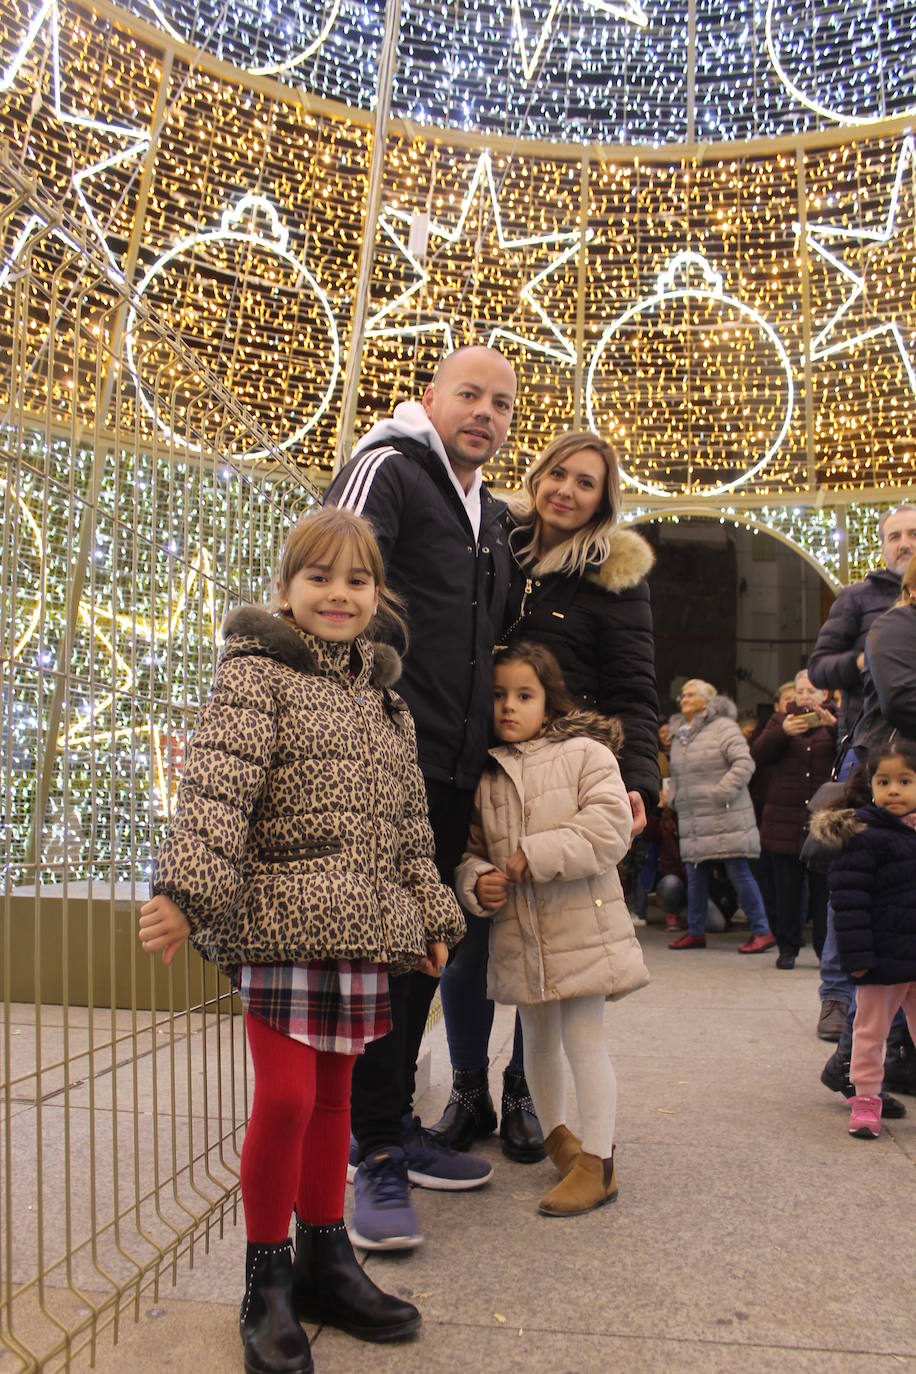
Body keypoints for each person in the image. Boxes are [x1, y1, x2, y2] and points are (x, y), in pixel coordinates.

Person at [137, 508, 466, 1374]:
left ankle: (327, 1259)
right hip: (280, 918)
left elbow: (410, 830)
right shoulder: (257, 677)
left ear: (376, 595)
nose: (338, 594)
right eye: (318, 578)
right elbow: (217, 788)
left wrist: (433, 916)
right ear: (285, 592)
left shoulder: (384, 701)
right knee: (284, 1098)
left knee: (335, 1101)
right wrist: (184, 892)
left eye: (356, 580)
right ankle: (266, 1279)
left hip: (361, 926)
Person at [323, 345, 515, 1247]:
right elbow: (331, 582)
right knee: (371, 957)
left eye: (502, 403)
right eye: (469, 395)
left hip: (447, 768)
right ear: (428, 397)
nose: (485, 412)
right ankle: (369, 1158)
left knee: (415, 957)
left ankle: (392, 1126)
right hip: (378, 761)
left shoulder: (489, 515)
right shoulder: (388, 469)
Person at [433, 429, 659, 1158]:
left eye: (585, 483)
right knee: (470, 934)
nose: (566, 490)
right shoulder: (493, 540)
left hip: (561, 779)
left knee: (550, 950)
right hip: (481, 764)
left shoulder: (614, 575)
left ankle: (530, 1097)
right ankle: (469, 1089)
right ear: (537, 474)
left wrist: (637, 780)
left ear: (603, 500)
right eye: (558, 473)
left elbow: (633, 688)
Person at [455, 643, 649, 1215]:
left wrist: (531, 853)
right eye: (497, 695)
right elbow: (469, 852)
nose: (509, 707)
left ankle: (600, 1162)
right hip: (522, 933)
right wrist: (479, 880)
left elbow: (609, 828)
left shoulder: (586, 753)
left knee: (583, 1038)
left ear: (549, 700)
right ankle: (562, 1140)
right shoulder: (486, 773)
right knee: (536, 1037)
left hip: (581, 928)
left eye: (523, 695)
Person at [808, 506, 916, 1040]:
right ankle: (836, 996)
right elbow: (818, 667)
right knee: (854, 883)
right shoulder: (861, 599)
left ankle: (896, 1018)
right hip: (871, 754)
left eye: (914, 533)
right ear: (882, 546)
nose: (905, 543)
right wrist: (868, 658)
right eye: (895, 535)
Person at [813, 742, 916, 1138]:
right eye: (884, 781)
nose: (893, 790)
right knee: (870, 1034)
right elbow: (849, 905)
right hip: (880, 962)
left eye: (904, 781)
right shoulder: (864, 835)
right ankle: (867, 1099)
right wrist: (856, 958)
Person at [666, 679, 775, 953]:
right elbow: (678, 773)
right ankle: (695, 931)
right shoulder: (680, 733)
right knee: (694, 872)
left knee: (738, 870)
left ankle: (762, 931)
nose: (685, 698)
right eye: (683, 694)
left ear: (708, 700)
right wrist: (674, 798)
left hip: (724, 812)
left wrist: (720, 792)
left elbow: (744, 763)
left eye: (692, 694)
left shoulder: (724, 727)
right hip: (693, 816)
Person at [750, 670, 837, 968]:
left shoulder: (838, 720)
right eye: (800, 691)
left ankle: (826, 951)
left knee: (823, 890)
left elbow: (853, 756)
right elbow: (758, 754)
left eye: (811, 691)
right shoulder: (779, 721)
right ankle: (787, 948)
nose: (804, 697)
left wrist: (835, 728)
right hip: (784, 819)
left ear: (825, 694)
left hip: (823, 822)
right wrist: (783, 733)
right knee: (787, 890)